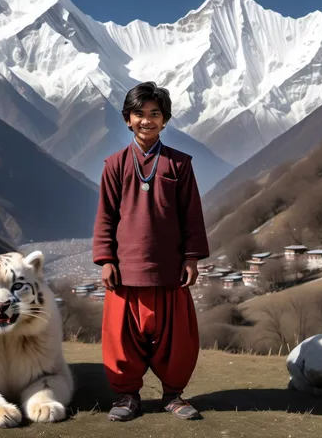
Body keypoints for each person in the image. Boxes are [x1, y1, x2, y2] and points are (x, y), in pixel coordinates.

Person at [93, 81, 210, 422]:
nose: (147, 120)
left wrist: (190, 258)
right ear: (127, 119)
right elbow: (105, 216)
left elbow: (192, 215)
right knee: (122, 341)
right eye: (139, 114)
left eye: (155, 114)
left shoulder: (179, 164)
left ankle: (173, 395)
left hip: (169, 269)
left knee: (176, 341)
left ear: (165, 119)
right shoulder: (114, 165)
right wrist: (106, 259)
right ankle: (127, 397)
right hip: (125, 271)